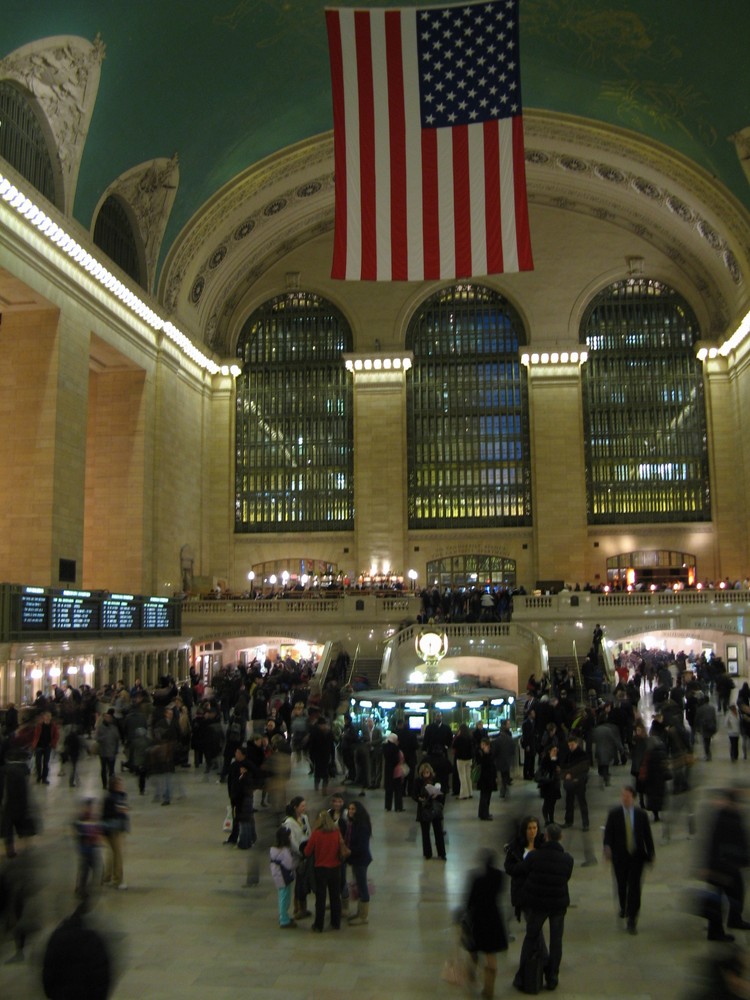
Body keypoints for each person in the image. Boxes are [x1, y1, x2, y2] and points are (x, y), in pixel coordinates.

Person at [512, 823, 574, 994]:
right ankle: (552, 978)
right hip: (558, 905)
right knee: (556, 941)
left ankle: (522, 975)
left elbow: (520, 870)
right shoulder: (568, 859)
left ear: (545, 836)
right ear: (560, 837)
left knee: (531, 938)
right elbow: (566, 877)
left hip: (538, 904)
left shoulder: (534, 856)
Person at [602, 784, 656, 934]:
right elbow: (608, 834)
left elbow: (647, 836)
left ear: (633, 798)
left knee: (634, 888)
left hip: (636, 857)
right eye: (622, 796)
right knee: (621, 884)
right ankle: (623, 905)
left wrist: (651, 853)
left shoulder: (641, 815)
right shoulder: (614, 814)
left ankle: (632, 919)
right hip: (619, 857)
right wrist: (607, 848)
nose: (624, 798)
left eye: (627, 796)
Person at [702, 787, 750, 941]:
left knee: (735, 893)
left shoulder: (730, 814)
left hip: (727, 866)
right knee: (718, 901)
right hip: (721, 867)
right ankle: (716, 932)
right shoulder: (724, 817)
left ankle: (733, 920)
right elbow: (714, 842)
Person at [462, 849, 508, 999]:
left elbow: (469, 901)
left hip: (478, 919)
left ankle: (472, 975)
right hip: (494, 919)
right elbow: (500, 892)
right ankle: (489, 989)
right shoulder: (500, 877)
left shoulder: (476, 878)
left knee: (474, 950)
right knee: (491, 954)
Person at [304, 809, 343, 932]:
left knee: (320, 898)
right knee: (335, 897)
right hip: (335, 868)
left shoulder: (316, 833)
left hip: (320, 869)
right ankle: (336, 923)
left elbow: (307, 852)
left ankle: (318, 925)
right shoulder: (336, 832)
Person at [504, 815, 544, 922]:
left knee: (534, 927)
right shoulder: (515, 847)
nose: (532, 831)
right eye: (529, 828)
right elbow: (508, 867)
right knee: (533, 924)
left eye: (534, 828)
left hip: (539, 891)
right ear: (524, 830)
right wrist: (523, 866)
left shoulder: (543, 845)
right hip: (524, 891)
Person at [282, 796, 312, 920]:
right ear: (295, 808)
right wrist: (301, 852)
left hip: (305, 854)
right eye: (302, 806)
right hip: (296, 856)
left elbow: (309, 833)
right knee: (299, 883)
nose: (304, 808)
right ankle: (298, 907)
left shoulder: (304, 818)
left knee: (303, 881)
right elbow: (291, 841)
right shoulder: (289, 822)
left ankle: (303, 907)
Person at [344, 799, 373, 925]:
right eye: (349, 809)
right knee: (359, 884)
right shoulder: (354, 823)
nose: (350, 811)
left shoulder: (362, 826)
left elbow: (361, 846)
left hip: (361, 859)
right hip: (356, 859)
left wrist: (348, 851)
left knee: (362, 886)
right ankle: (359, 912)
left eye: (353, 809)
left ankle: (363, 916)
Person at [101, 776, 129, 890]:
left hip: (110, 829)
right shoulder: (113, 798)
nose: (122, 787)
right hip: (113, 829)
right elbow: (115, 811)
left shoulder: (115, 797)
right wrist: (120, 809)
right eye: (120, 785)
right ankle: (118, 880)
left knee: (111, 854)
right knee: (117, 855)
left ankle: (106, 877)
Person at [414, 761, 447, 860]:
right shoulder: (418, 781)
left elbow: (443, 793)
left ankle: (442, 853)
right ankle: (427, 853)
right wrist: (419, 799)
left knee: (438, 832)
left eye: (427, 772)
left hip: (435, 809)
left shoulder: (436, 780)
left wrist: (437, 795)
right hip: (424, 809)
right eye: (424, 773)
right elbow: (414, 794)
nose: (426, 775)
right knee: (425, 833)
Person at [269, 825, 297, 929]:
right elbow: (289, 865)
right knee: (284, 897)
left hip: (277, 875)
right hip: (284, 876)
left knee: (282, 895)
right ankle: (284, 919)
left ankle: (284, 916)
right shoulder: (285, 851)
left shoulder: (273, 849)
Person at [561, 736, 590, 831]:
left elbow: (584, 768)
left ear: (576, 743)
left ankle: (585, 824)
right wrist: (566, 775)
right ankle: (568, 821)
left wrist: (571, 774)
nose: (570, 747)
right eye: (569, 745)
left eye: (572, 745)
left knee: (582, 803)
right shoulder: (568, 755)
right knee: (569, 802)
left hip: (579, 782)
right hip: (571, 783)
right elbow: (563, 768)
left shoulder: (582, 754)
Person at [31, 710, 59, 785]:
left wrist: (52, 743)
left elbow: (56, 736)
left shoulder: (53, 726)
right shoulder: (39, 726)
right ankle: (39, 776)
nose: (48, 718)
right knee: (38, 763)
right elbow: (35, 735)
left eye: (49, 716)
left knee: (46, 763)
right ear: (43, 717)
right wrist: (34, 744)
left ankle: (44, 778)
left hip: (47, 746)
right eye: (46, 716)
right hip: (39, 746)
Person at [382, 731, 405, 812]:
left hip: (388, 770)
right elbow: (397, 759)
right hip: (396, 771)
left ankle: (387, 806)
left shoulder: (384, 746)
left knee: (389, 789)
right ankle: (398, 807)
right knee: (398, 790)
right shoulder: (395, 748)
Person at [476, 737, 497, 821]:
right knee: (484, 797)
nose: (483, 746)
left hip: (490, 778)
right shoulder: (480, 753)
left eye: (484, 745)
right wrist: (485, 754)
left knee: (487, 796)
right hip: (484, 778)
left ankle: (485, 812)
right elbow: (482, 763)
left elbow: (492, 765)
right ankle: (483, 814)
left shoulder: (490, 753)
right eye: (482, 744)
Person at [452, 723, 474, 799]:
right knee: (468, 776)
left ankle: (464, 794)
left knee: (462, 777)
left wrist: (457, 736)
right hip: (469, 759)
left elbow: (454, 745)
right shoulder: (470, 737)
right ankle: (470, 792)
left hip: (461, 759)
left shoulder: (459, 738)